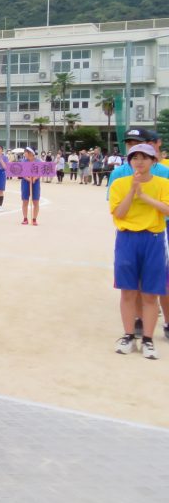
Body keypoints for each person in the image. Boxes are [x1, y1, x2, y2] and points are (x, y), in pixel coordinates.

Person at [108, 143, 169, 360]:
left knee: (150, 293)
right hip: (127, 238)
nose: (139, 162)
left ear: (154, 161)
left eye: (145, 157)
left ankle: (148, 340)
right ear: (130, 161)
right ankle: (128, 335)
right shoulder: (119, 184)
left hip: (153, 238)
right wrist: (132, 192)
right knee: (127, 291)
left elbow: (166, 209)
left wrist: (144, 197)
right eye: (135, 157)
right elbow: (120, 213)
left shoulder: (163, 183)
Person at [20, 147, 41, 225]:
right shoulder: (23, 161)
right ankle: (25, 218)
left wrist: (35, 178)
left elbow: (40, 173)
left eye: (26, 152)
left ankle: (34, 219)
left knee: (36, 201)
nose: (25, 153)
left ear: (31, 153)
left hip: (35, 182)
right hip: (25, 182)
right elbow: (22, 173)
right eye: (25, 152)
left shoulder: (38, 161)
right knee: (25, 201)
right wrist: (28, 179)